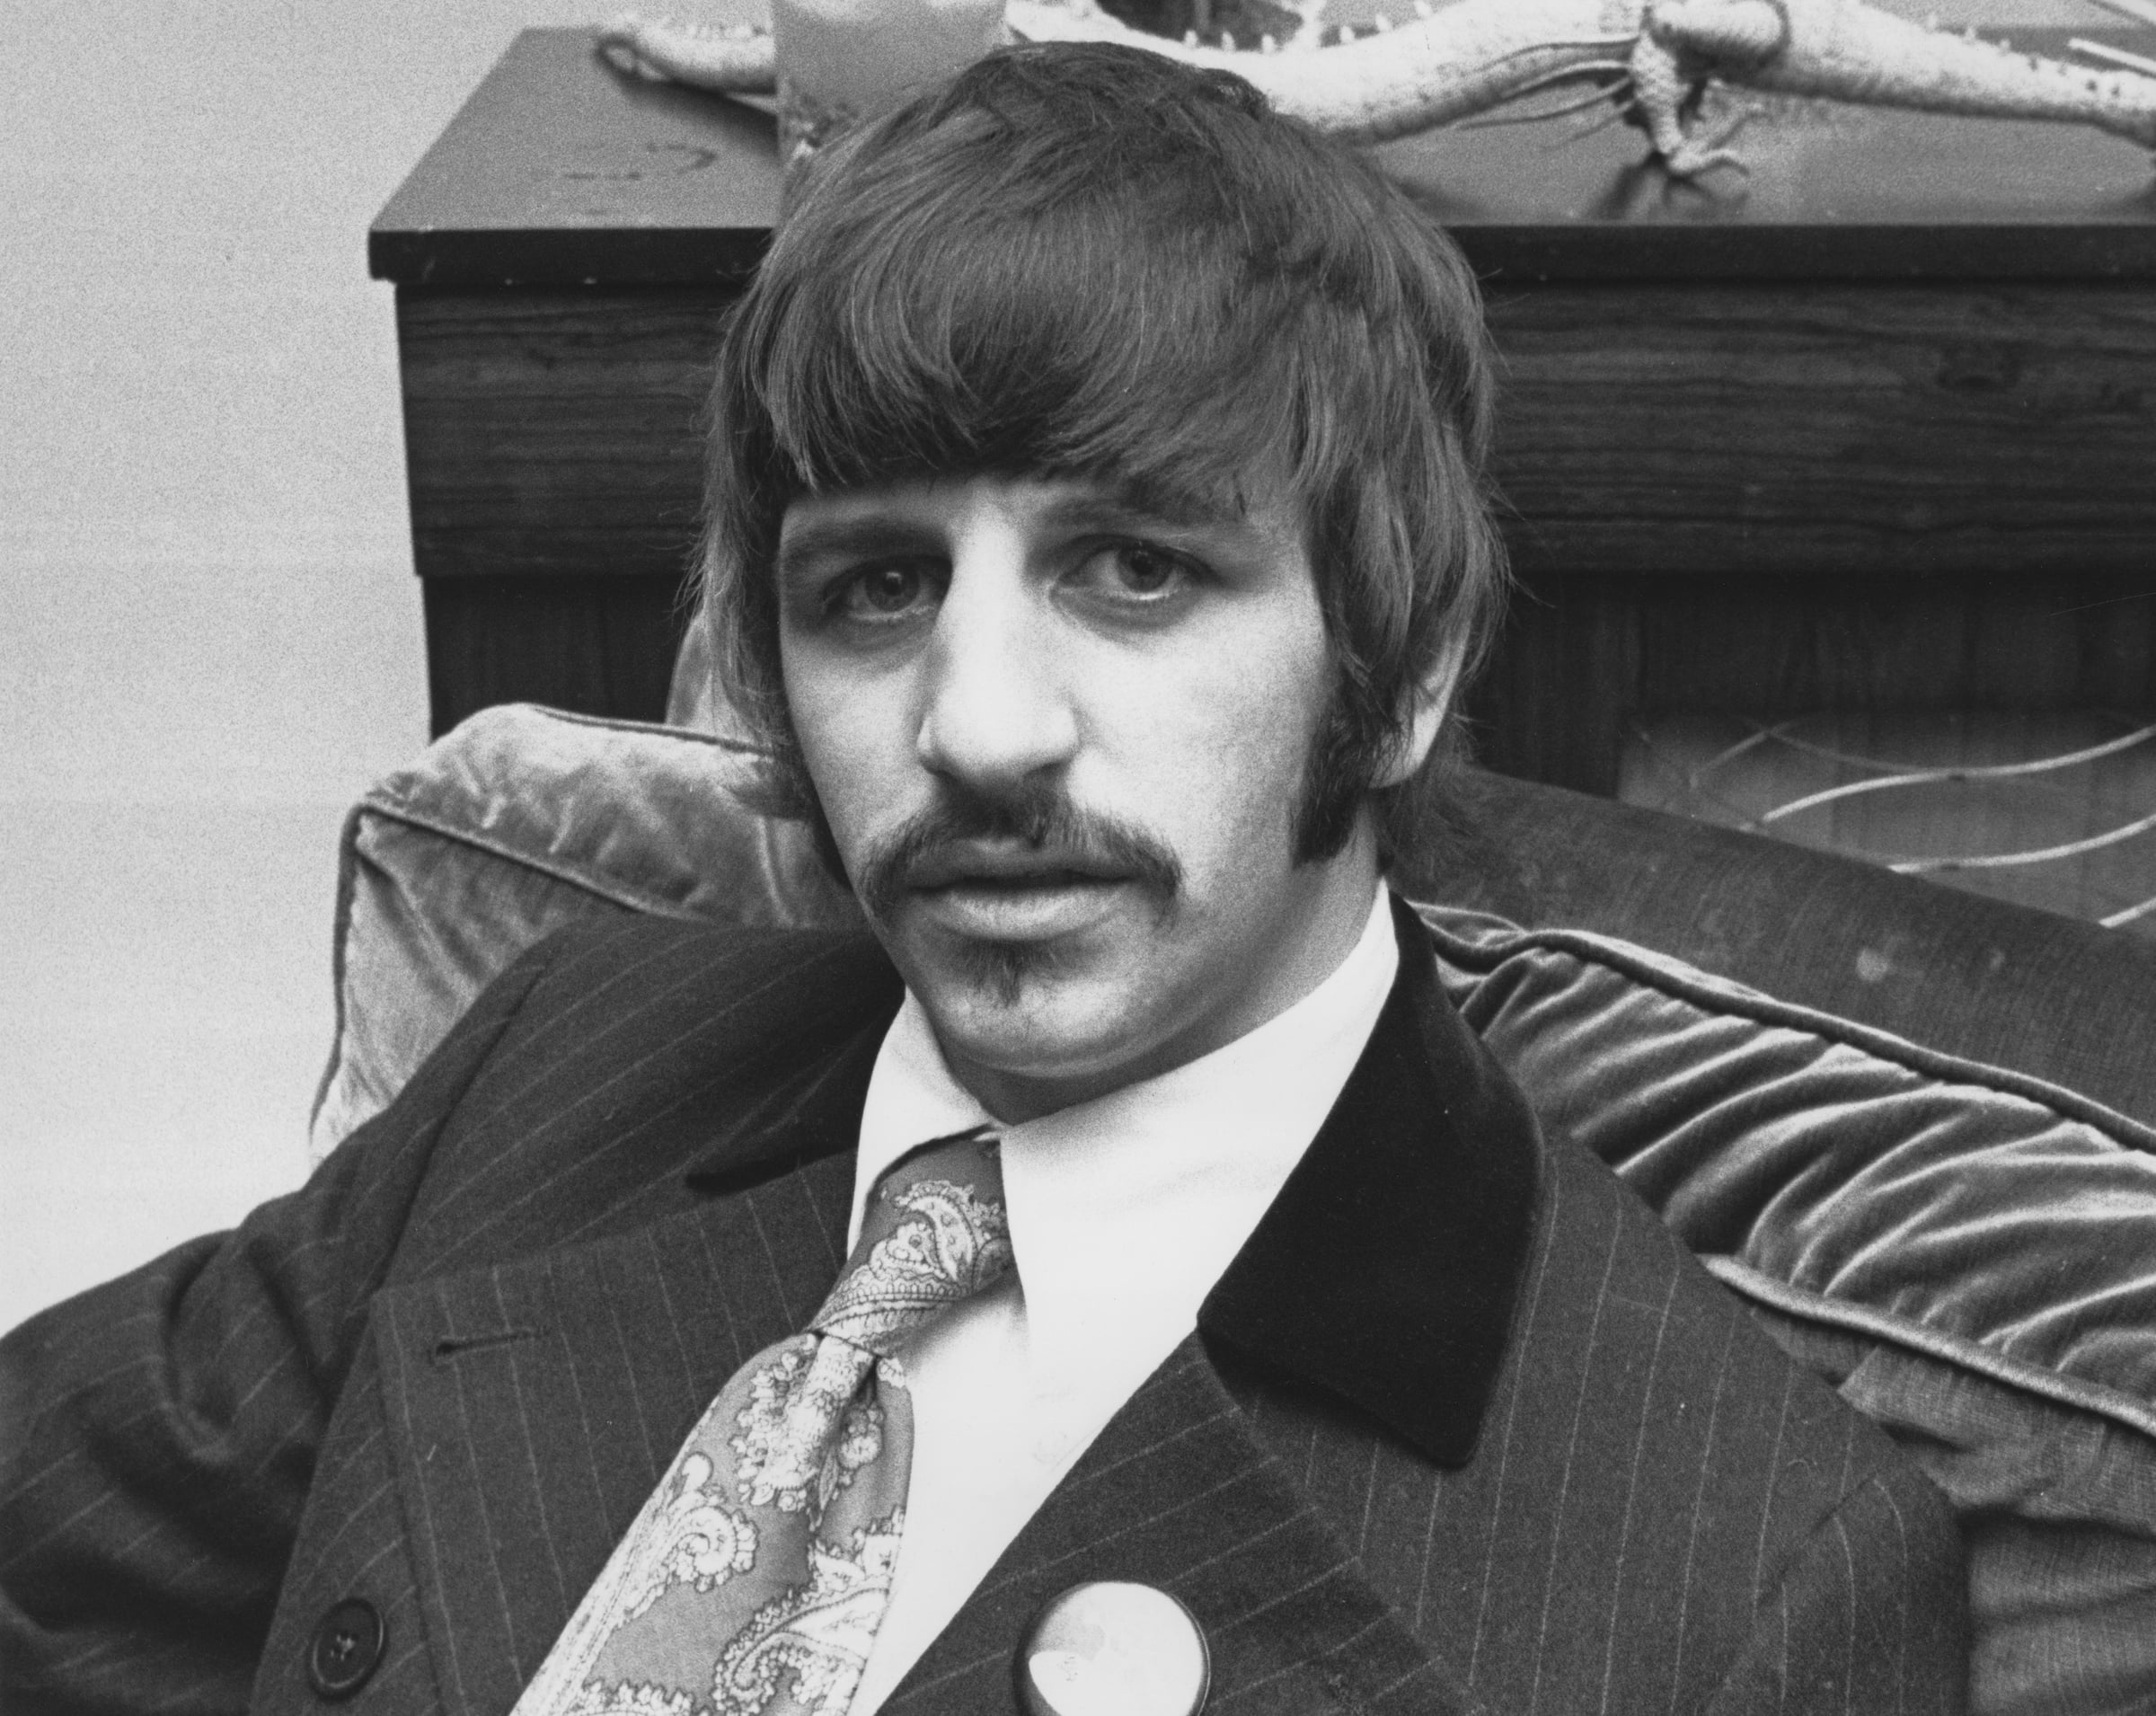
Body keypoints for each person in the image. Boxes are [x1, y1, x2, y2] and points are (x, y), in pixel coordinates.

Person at [2, 40, 1965, 1716]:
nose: (979, 728)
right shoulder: (563, 1061)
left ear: (1403, 669)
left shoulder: (1742, 1574)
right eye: (876, 587)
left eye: (1138, 569)